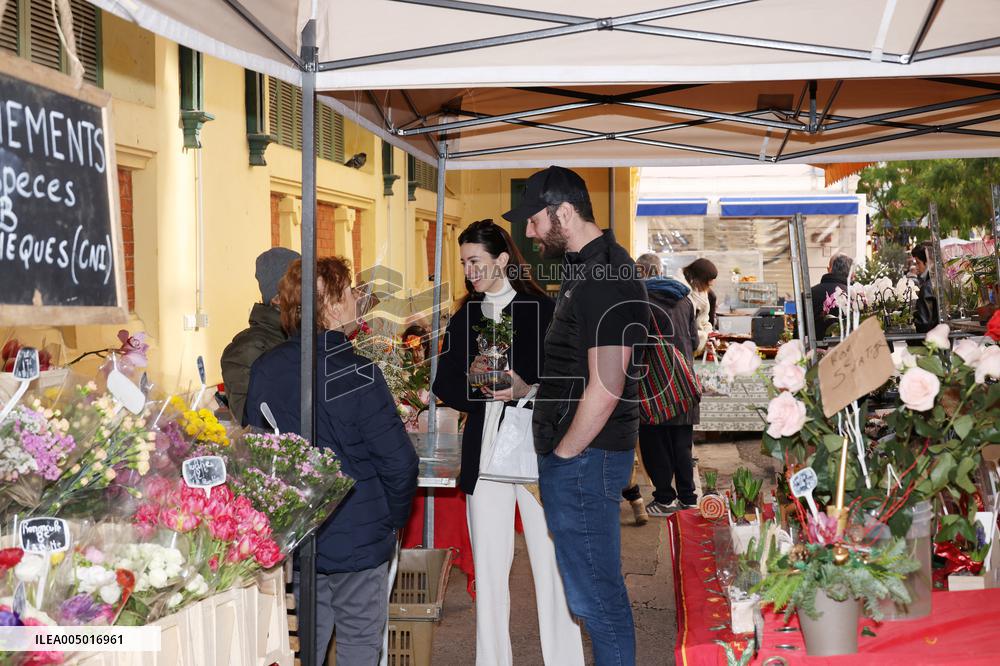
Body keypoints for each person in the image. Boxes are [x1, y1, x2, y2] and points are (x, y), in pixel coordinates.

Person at [504, 165, 648, 666]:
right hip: (585, 456)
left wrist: (565, 455)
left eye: (534, 220)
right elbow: (583, 369)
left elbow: (608, 385)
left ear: (563, 212)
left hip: (586, 458)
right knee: (592, 595)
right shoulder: (587, 269)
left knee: (598, 599)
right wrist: (533, 387)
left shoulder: (605, 274)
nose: (529, 231)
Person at [245, 257, 419, 666]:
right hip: (359, 532)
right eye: (350, 291)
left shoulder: (266, 370)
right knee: (360, 642)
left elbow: (257, 457)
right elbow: (399, 463)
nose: (357, 298)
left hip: (300, 531)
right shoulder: (358, 373)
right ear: (334, 305)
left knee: (307, 642)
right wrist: (390, 521)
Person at [433, 219, 584, 666]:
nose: (469, 271)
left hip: (538, 454)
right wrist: (476, 385)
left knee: (552, 568)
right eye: (463, 263)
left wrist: (525, 389)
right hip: (484, 455)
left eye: (475, 261)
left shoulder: (542, 309)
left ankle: (564, 660)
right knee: (490, 574)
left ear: (502, 260)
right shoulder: (465, 314)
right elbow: (445, 383)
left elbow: (570, 382)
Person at [634, 253, 701, 516]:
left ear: (641, 271)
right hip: (684, 381)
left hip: (654, 383)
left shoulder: (640, 300)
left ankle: (664, 498)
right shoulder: (685, 299)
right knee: (682, 444)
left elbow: (635, 344)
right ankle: (688, 496)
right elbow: (694, 342)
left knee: (654, 442)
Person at [221, 247, 300, 425]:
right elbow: (252, 422)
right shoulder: (246, 349)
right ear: (277, 299)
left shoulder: (308, 336)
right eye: (300, 288)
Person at [810, 253, 853, 338]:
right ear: (851, 273)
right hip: (848, 349)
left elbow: (798, 333)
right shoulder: (855, 295)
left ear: (829, 269)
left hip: (813, 350)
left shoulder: (809, 294)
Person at [681, 258, 718, 356]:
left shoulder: (703, 294)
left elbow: (704, 320)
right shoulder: (681, 294)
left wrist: (709, 335)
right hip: (682, 346)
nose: (711, 284)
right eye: (709, 280)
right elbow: (683, 328)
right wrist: (703, 337)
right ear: (699, 278)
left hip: (693, 343)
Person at [911, 243, 940, 333]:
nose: (916, 267)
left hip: (930, 339)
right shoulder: (937, 281)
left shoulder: (927, 287)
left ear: (927, 262)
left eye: (918, 263)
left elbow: (924, 323)